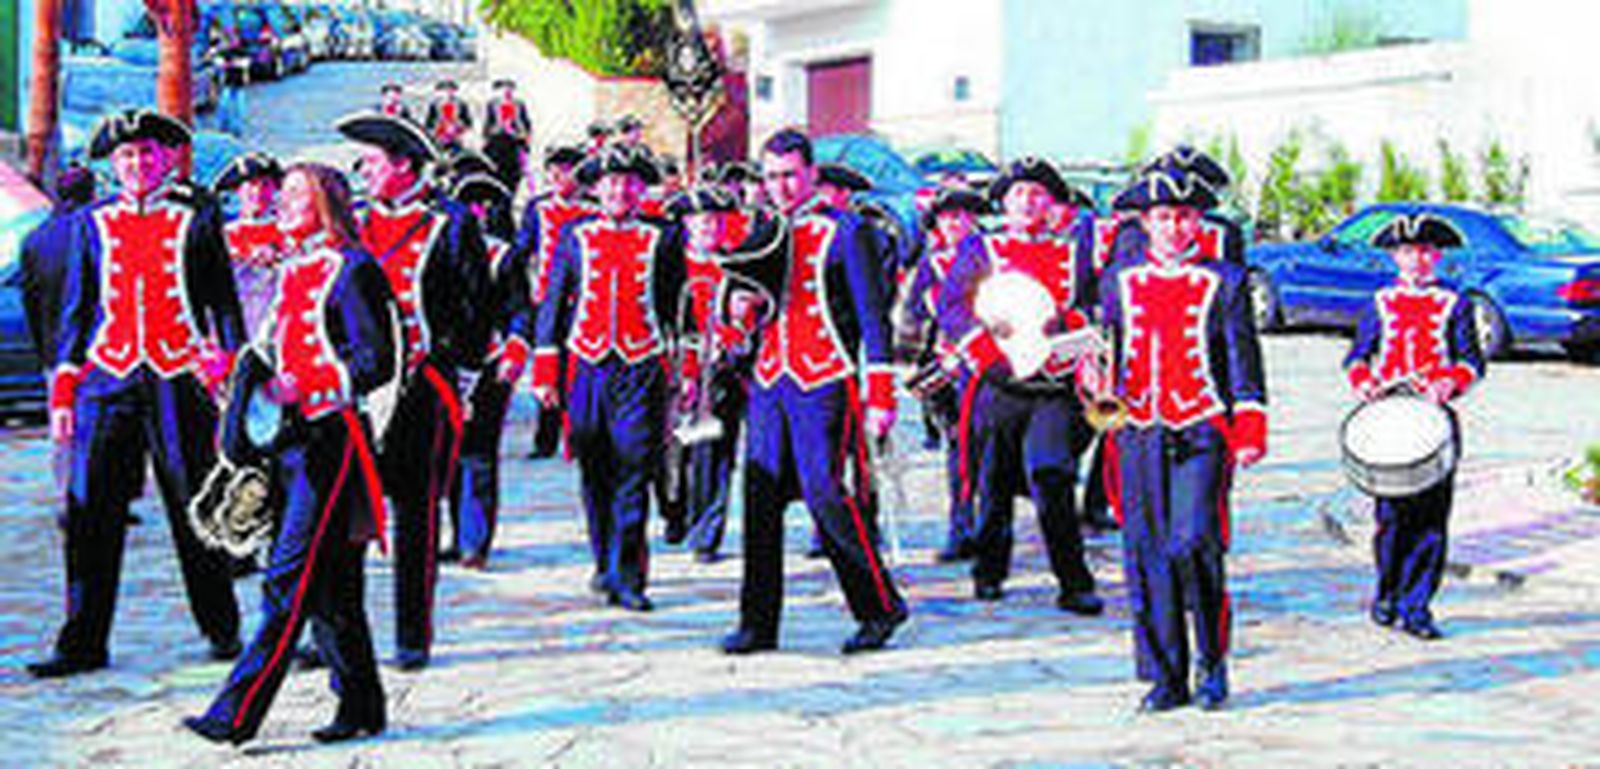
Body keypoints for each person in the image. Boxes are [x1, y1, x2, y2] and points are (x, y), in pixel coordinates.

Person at [183, 163, 396, 746]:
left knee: (287, 578)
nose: (283, 201)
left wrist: (310, 384)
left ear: (327, 203)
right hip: (292, 444)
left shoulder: (353, 270)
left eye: (298, 193)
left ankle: (235, 713)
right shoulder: (295, 268)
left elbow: (377, 360)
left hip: (330, 440)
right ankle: (363, 706)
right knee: (332, 589)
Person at [30, 109, 243, 678]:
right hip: (106, 380)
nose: (137, 164)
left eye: (147, 153)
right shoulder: (90, 224)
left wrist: (227, 360)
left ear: (166, 158)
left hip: (177, 379)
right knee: (91, 511)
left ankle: (222, 627)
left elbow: (223, 302)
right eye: (126, 156)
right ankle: (82, 642)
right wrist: (63, 393)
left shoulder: (194, 221)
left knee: (195, 507)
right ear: (112, 164)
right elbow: (73, 315)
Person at [721, 128, 908, 656]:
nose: (780, 186)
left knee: (826, 492)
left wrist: (881, 396)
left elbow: (875, 319)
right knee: (759, 499)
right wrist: (737, 310)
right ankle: (758, 624)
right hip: (769, 379)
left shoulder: (848, 231)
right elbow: (743, 297)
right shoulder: (761, 230)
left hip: (824, 376)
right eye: (771, 176)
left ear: (811, 175)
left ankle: (879, 606)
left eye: (789, 175)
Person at [1097, 162, 1267, 712]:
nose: (1174, 227)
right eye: (1164, 217)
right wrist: (1092, 378)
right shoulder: (1119, 279)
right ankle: (1164, 676)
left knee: (1194, 542)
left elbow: (1244, 362)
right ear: (1145, 223)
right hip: (1138, 429)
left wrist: (1250, 428)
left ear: (1198, 222)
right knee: (1146, 553)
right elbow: (1108, 347)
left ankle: (1212, 662)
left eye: (1185, 216)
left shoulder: (1227, 280)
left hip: (1201, 426)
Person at [338, 111, 491, 671]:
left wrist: (462, 382)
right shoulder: (351, 221)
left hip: (421, 388)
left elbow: (476, 309)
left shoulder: (449, 223)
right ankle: (336, 633)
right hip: (354, 391)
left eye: (372, 162)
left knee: (416, 514)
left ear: (404, 165)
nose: (364, 172)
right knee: (342, 514)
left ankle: (411, 634)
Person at [936, 157, 1104, 615]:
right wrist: (990, 355)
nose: (1028, 203)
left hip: (1053, 386)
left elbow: (1085, 310)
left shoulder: (1072, 253)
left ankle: (1074, 580)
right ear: (1003, 203)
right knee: (992, 481)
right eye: (1018, 195)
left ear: (1050, 203)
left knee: (1052, 473)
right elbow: (952, 307)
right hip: (997, 382)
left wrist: (1083, 351)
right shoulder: (980, 249)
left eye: (1037, 194)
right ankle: (989, 570)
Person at [533, 145, 685, 612]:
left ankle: (630, 576)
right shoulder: (575, 237)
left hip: (641, 367)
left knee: (635, 469)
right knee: (595, 470)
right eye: (610, 182)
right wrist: (545, 371)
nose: (619, 190)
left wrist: (688, 369)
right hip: (587, 367)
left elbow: (679, 308)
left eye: (629, 182)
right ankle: (604, 562)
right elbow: (554, 305)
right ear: (596, 188)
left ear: (641, 188)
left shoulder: (662, 237)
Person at [1344, 213, 1482, 641]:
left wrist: (1450, 382)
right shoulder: (1379, 303)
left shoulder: (1456, 302)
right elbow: (1356, 356)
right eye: (1407, 253)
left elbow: (1472, 361)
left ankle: (1417, 604)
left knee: (1431, 521)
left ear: (1437, 256)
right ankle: (1387, 591)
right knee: (1391, 520)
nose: (1417, 261)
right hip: (1389, 422)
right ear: (1395, 258)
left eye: (1424, 252)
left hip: (1433, 421)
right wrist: (1364, 382)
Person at [892, 188, 986, 563]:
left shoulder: (991, 255)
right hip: (948, 368)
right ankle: (962, 529)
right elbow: (913, 313)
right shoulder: (932, 264)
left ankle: (990, 530)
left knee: (988, 452)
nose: (955, 224)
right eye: (947, 218)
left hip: (987, 363)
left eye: (962, 217)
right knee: (958, 450)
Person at [445, 174, 530, 570]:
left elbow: (519, 309)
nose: (476, 212)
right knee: (445, 452)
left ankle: (474, 541)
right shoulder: (441, 249)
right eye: (469, 203)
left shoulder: (503, 256)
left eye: (485, 205)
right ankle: (454, 533)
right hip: (445, 363)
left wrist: (516, 346)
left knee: (478, 450)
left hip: (489, 363)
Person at [667, 187, 748, 563]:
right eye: (702, 221)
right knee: (673, 454)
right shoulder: (671, 266)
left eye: (716, 221)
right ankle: (676, 513)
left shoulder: (737, 266)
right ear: (687, 225)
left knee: (712, 454)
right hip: (674, 373)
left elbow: (750, 318)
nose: (710, 228)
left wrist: (732, 339)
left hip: (719, 377)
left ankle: (706, 533)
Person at [514, 145, 597, 460]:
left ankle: (576, 435)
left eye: (568, 171)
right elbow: (523, 249)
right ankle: (544, 438)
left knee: (579, 368)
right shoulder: (538, 208)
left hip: (584, 302)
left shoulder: (591, 209)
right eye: (556, 171)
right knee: (548, 365)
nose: (561, 178)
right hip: (548, 300)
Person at [20, 163, 96, 367]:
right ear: (92, 193)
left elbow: (31, 303)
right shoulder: (101, 231)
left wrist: (44, 353)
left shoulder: (36, 239)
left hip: (57, 351)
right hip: (100, 354)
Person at [214, 152, 288, 340]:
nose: (258, 193)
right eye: (251, 185)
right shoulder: (223, 235)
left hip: (278, 320)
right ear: (238, 190)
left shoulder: (288, 232)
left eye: (265, 185)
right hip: (239, 318)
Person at [481, 78, 532, 194]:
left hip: (515, 143)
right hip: (497, 142)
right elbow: (488, 125)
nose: (506, 91)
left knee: (515, 173)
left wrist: (521, 135)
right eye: (503, 88)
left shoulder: (519, 104)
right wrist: (498, 129)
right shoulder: (492, 104)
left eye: (509, 88)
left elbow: (526, 124)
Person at [424, 79, 472, 153]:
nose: (447, 92)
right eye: (445, 89)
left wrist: (460, 127)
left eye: (450, 89)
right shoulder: (434, 104)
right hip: (440, 136)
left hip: (456, 135)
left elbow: (468, 121)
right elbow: (429, 122)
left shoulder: (461, 104)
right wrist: (433, 132)